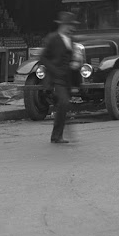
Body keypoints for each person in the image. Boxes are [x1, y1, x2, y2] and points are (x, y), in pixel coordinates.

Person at [42, 10, 79, 144]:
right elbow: (43, 58)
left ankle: (58, 135)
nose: (72, 28)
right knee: (63, 103)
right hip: (56, 79)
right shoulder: (52, 38)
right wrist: (54, 70)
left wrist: (74, 64)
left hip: (67, 79)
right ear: (63, 25)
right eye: (70, 25)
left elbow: (71, 58)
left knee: (63, 106)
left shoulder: (71, 40)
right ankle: (57, 136)